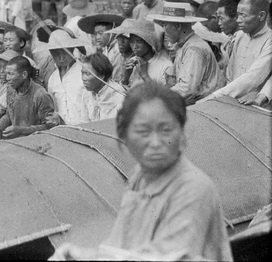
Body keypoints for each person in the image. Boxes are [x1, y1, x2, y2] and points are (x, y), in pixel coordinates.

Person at [55, 82, 232, 261]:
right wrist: (83, 255)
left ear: (182, 135)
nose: (155, 142)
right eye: (143, 131)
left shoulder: (194, 187)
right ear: (125, 137)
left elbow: (168, 256)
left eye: (166, 130)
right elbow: (121, 246)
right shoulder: (140, 177)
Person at [205, 0, 271, 105]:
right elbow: (230, 74)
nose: (238, 20)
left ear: (261, 16)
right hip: (230, 98)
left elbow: (253, 77)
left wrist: (215, 96)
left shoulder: (269, 40)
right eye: (237, 15)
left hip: (254, 103)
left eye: (243, 16)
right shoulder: (239, 36)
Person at [148, 2, 220, 104]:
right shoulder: (184, 46)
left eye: (165, 25)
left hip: (204, 107)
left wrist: (158, 97)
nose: (164, 30)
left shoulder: (194, 49)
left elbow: (187, 89)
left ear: (177, 26)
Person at [0, 56, 55, 141]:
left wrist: (22, 131)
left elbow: (50, 127)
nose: (7, 78)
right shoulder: (10, 90)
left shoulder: (40, 95)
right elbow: (9, 115)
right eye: (6, 73)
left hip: (36, 144)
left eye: (11, 74)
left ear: (24, 75)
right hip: (16, 143)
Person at [113, 19, 172, 87]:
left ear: (149, 42)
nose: (135, 46)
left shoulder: (165, 66)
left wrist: (145, 75)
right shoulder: (133, 63)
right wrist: (125, 79)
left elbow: (164, 95)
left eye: (139, 41)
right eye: (132, 42)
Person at [80, 52, 126, 121]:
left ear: (101, 76)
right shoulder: (86, 94)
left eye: (87, 74)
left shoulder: (118, 96)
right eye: (82, 73)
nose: (83, 78)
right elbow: (84, 122)